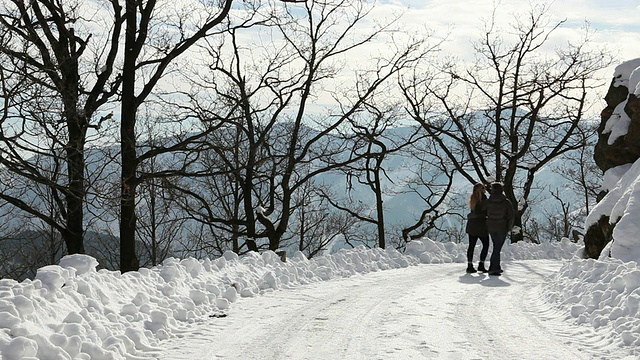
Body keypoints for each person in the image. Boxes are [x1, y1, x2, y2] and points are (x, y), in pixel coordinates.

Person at [485, 182, 515, 276]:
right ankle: (494, 268)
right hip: (502, 226)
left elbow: (483, 211)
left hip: (491, 226)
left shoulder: (488, 201)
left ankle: (495, 266)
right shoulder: (506, 202)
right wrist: (509, 227)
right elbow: (511, 216)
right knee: (497, 247)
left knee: (496, 246)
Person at [465, 183, 489, 273]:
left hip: (472, 226)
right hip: (481, 226)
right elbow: (484, 211)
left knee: (471, 246)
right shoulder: (483, 199)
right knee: (486, 245)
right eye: (483, 188)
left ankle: (469, 265)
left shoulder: (472, 199)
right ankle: (481, 264)